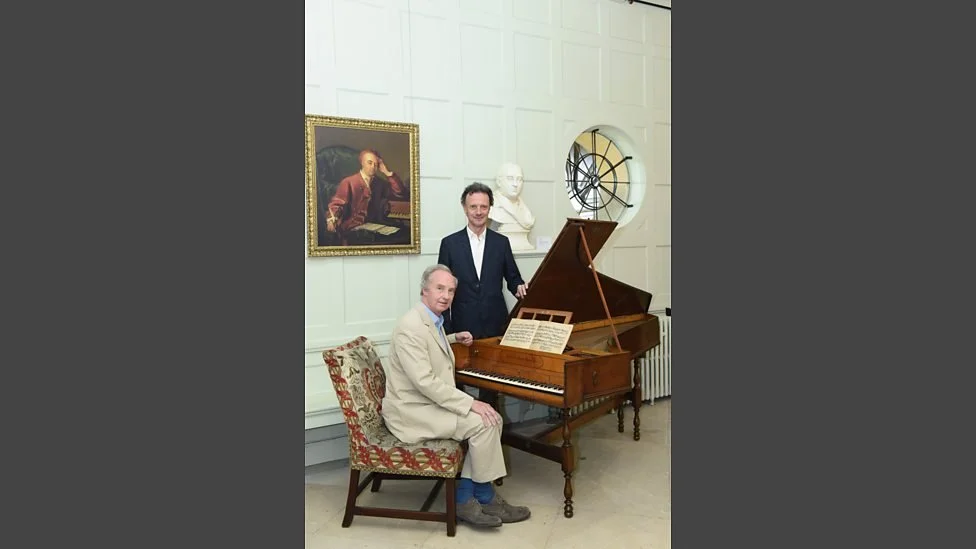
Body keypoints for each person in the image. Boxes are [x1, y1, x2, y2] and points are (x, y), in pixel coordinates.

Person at [381, 264, 532, 527]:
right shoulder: (410, 327)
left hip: (425, 404)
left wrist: (452, 338)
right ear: (424, 290)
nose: (446, 295)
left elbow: (428, 347)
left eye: (450, 290)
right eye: (440, 288)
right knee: (485, 422)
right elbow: (424, 382)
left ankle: (478, 496)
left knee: (490, 418)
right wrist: (471, 403)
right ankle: (475, 498)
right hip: (412, 412)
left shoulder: (430, 320)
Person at [438, 182, 528, 340]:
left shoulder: (502, 243)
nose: (478, 212)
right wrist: (448, 330)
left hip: (497, 326)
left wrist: (522, 288)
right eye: (473, 207)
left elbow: (513, 279)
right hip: (462, 329)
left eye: (483, 207)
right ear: (465, 208)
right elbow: (442, 289)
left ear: (489, 209)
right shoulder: (449, 244)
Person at [325, 148, 409, 244]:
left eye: (376, 164)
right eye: (369, 163)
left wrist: (387, 173)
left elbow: (400, 193)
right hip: (352, 229)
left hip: (374, 228)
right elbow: (337, 204)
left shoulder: (380, 183)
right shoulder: (349, 182)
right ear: (362, 163)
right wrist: (332, 220)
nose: (373, 167)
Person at [488, 162, 536, 251]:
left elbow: (528, 221)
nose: (515, 184)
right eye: (510, 179)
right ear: (499, 182)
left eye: (519, 179)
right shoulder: (492, 206)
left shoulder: (524, 209)